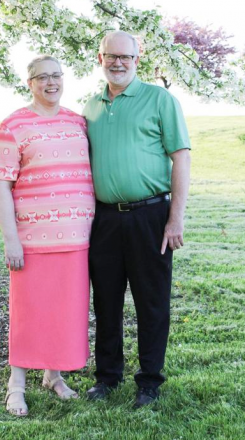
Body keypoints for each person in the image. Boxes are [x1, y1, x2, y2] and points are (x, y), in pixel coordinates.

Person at [83, 31, 191, 408]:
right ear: (100, 58)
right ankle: (107, 377)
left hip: (150, 215)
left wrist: (174, 220)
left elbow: (181, 157)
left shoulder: (160, 100)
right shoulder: (91, 107)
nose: (118, 62)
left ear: (137, 59)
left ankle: (149, 382)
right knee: (106, 303)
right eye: (110, 56)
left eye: (125, 56)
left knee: (152, 302)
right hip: (105, 221)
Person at [0, 55, 95, 416]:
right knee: (29, 312)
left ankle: (54, 376)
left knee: (65, 311)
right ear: (29, 83)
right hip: (33, 240)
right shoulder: (13, 125)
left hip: (78, 237)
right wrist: (11, 239)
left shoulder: (77, 122)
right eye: (42, 77)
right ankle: (15, 385)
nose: (51, 83)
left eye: (56, 76)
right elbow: (1, 185)